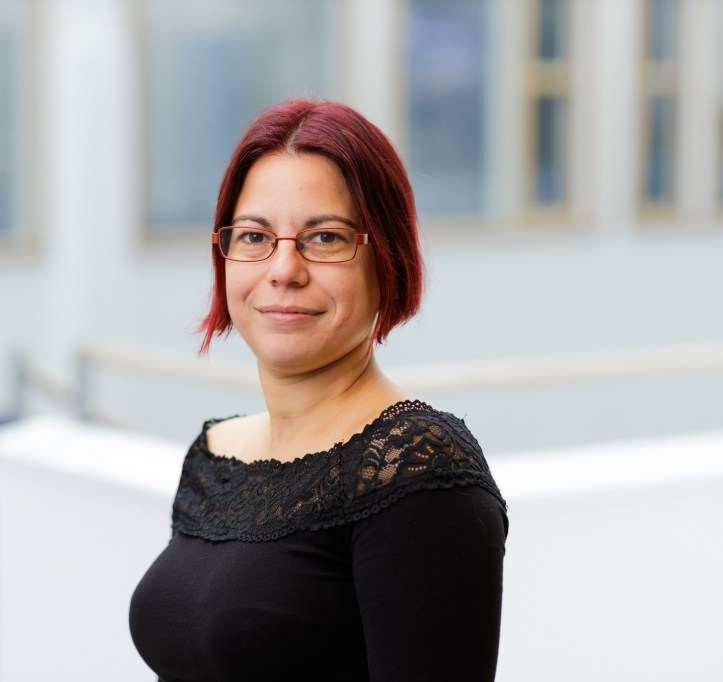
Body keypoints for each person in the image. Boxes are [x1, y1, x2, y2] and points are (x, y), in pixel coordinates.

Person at [129, 99, 508, 681]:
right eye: (255, 236)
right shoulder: (215, 457)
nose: (284, 269)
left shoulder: (418, 472)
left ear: (387, 259)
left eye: (325, 237)